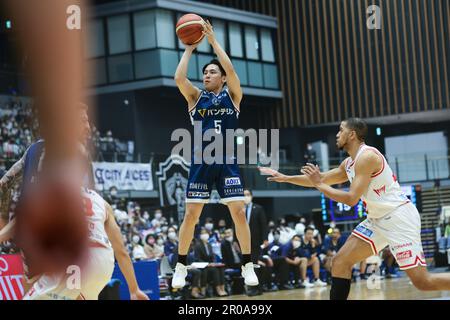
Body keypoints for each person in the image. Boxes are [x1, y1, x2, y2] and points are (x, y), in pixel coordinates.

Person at [260, 117, 450, 300]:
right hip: (377, 219)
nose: (337, 134)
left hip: (398, 217)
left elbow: (351, 199)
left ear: (352, 134)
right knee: (340, 261)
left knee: (423, 282)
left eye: (340, 130)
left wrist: (319, 184)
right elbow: (322, 179)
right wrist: (286, 178)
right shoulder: (349, 163)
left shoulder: (367, 157)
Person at [172, 20, 257, 288]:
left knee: (239, 213)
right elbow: (178, 79)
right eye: (205, 72)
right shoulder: (196, 97)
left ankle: (247, 263)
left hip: (228, 163)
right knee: (190, 216)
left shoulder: (233, 96)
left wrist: (212, 41)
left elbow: (230, 68)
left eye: (212, 72)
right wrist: (189, 48)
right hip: (202, 162)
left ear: (221, 78)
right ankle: (180, 264)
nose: (206, 75)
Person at [194, 228, 227, 297]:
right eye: (203, 233)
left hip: (211, 264)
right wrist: (208, 264)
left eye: (205, 233)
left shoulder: (209, 245)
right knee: (215, 270)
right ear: (200, 235)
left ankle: (222, 288)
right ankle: (218, 289)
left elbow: (212, 256)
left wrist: (214, 263)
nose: (205, 235)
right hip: (203, 266)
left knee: (221, 268)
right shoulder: (197, 245)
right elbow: (197, 259)